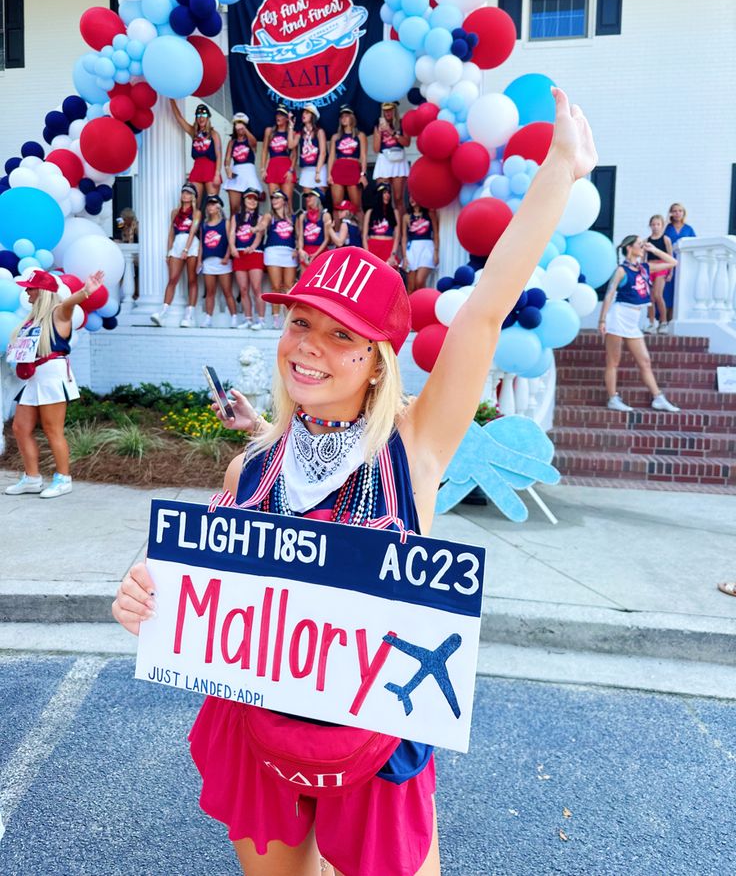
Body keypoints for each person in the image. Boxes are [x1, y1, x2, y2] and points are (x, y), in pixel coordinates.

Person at [113, 87, 598, 876]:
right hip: (263, 729)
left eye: (344, 336)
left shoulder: (414, 445)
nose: (310, 346)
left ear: (377, 359)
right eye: (301, 321)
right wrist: (146, 593)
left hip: (375, 740)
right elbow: (196, 588)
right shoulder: (252, 466)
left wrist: (561, 173)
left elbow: (481, 314)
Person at [5, 268, 104, 499]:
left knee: (52, 429)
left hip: (51, 374)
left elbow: (70, 302)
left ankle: (63, 479)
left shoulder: (59, 312)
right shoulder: (32, 320)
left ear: (42, 291)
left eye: (30, 288)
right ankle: (31, 478)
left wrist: (85, 292)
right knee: (20, 428)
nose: (27, 292)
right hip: (33, 376)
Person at [598, 234, 680, 413]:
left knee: (645, 361)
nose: (643, 247)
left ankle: (658, 398)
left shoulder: (644, 268)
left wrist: (654, 249)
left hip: (633, 319)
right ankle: (613, 398)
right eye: (640, 245)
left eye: (643, 245)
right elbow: (609, 294)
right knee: (613, 361)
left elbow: (673, 262)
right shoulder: (621, 270)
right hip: (618, 316)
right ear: (629, 248)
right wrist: (602, 319)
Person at [151, 183, 201, 328]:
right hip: (177, 243)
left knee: (192, 279)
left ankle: (189, 315)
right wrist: (169, 251)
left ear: (193, 196)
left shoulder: (196, 213)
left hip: (191, 244)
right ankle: (163, 312)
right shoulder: (175, 212)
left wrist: (186, 249)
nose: (185, 195)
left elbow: (193, 230)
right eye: (183, 192)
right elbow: (171, 233)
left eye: (188, 193)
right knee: (173, 278)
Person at [169, 99, 222, 203]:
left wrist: (217, 174)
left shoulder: (214, 134)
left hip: (210, 169)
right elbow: (180, 119)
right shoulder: (194, 132)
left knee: (213, 203)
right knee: (193, 203)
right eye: (198, 115)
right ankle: (196, 220)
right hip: (197, 169)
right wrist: (172, 101)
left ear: (208, 117)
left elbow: (219, 155)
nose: (201, 118)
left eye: (203, 115)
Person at [228, 187, 266, 330]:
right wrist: (232, 247)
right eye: (249, 198)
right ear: (244, 200)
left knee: (256, 288)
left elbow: (259, 235)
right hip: (239, 254)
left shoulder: (260, 217)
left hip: (255, 253)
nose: (252, 201)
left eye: (255, 199)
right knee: (243, 289)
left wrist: (252, 246)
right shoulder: (236, 217)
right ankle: (248, 319)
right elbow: (232, 233)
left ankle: (261, 320)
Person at [198, 194, 238, 329]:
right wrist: (199, 261)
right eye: (209, 204)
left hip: (223, 262)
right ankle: (208, 318)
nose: (211, 206)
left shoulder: (225, 223)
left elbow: (229, 240)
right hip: (208, 261)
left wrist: (227, 256)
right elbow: (201, 245)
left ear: (219, 206)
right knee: (210, 292)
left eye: (214, 204)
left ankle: (234, 318)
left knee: (227, 291)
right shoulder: (204, 224)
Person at [262, 189, 297, 329]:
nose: (274, 200)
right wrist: (255, 229)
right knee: (276, 286)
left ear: (284, 201)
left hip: (289, 252)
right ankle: (276, 319)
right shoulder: (269, 215)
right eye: (273, 198)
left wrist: (298, 248)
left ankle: (289, 318)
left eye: (277, 198)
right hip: (273, 251)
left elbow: (299, 235)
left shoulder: (293, 217)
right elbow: (263, 225)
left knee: (289, 287)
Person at [328, 104, 367, 214]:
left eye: (346, 116)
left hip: (353, 169)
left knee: (357, 206)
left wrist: (363, 174)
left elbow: (363, 156)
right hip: (338, 169)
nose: (344, 118)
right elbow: (331, 157)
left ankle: (361, 231)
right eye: (342, 116)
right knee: (337, 206)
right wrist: (329, 175)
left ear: (352, 118)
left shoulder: (360, 135)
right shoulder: (335, 137)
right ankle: (337, 231)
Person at [373, 101, 410, 215]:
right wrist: (380, 133)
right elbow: (375, 149)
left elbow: (406, 142)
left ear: (395, 110)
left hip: (398, 159)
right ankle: (385, 226)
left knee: (398, 198)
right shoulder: (378, 125)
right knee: (382, 196)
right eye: (385, 110)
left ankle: (402, 229)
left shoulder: (402, 123)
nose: (387, 113)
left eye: (390, 110)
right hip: (384, 159)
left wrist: (391, 132)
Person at [222, 113, 261, 218]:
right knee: (234, 209)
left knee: (251, 208)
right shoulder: (232, 142)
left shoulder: (250, 140)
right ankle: (233, 232)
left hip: (249, 172)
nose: (239, 127)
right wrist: (227, 170)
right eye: (237, 124)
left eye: (242, 124)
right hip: (236, 172)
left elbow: (254, 143)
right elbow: (227, 160)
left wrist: (244, 129)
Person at [663, 202, 696, 321]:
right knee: (665, 292)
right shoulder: (666, 228)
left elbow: (694, 246)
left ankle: (673, 320)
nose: (677, 213)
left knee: (678, 293)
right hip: (667, 264)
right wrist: (666, 221)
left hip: (683, 266)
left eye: (680, 211)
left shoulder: (688, 229)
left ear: (683, 213)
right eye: (675, 211)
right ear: (671, 213)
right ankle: (663, 321)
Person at [262, 104, 296, 210]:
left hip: (286, 167)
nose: (278, 117)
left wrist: (291, 170)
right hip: (272, 167)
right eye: (278, 114)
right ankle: (276, 226)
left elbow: (294, 154)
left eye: (282, 115)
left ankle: (290, 226)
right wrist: (263, 169)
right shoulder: (270, 131)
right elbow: (264, 151)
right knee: (275, 202)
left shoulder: (291, 132)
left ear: (286, 118)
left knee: (287, 202)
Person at [402, 195, 439, 292]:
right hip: (412, 250)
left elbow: (435, 233)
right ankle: (412, 307)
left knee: (420, 281)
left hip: (427, 248)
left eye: (415, 196)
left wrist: (436, 252)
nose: (411, 199)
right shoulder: (406, 217)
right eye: (410, 197)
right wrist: (405, 257)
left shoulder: (430, 213)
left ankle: (424, 305)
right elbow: (404, 238)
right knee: (411, 287)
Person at [645, 214, 675, 333]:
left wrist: (670, 272)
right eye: (653, 224)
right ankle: (652, 323)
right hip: (650, 267)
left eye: (658, 224)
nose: (655, 227)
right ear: (650, 225)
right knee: (650, 298)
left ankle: (663, 322)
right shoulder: (647, 240)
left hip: (662, 267)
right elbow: (644, 258)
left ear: (662, 226)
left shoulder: (666, 239)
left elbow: (670, 257)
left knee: (658, 295)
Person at [292, 103, 327, 197]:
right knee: (309, 201)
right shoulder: (300, 132)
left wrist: (318, 172)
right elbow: (291, 145)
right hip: (306, 169)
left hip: (318, 168)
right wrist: (291, 126)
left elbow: (323, 153)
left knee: (319, 200)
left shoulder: (319, 131)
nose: (304, 114)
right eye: (304, 112)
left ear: (313, 116)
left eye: (307, 112)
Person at [363, 182, 400, 265]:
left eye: (389, 193)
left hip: (388, 247)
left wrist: (393, 255)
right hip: (372, 247)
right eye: (384, 193)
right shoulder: (370, 212)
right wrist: (367, 254)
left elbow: (397, 236)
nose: (387, 195)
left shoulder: (394, 212)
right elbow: (364, 236)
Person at [297, 189, 330, 269]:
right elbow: (300, 236)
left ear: (317, 199)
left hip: (321, 251)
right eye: (307, 197)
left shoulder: (325, 215)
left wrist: (316, 254)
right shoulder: (303, 216)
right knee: (305, 279)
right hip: (306, 251)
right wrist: (300, 249)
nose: (307, 198)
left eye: (310, 196)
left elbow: (327, 239)